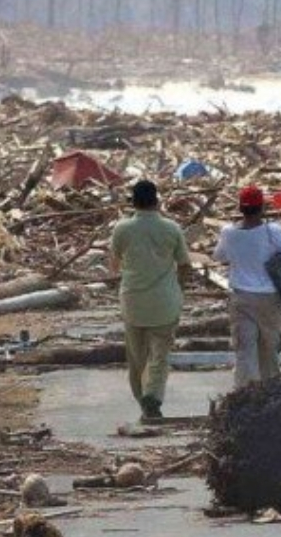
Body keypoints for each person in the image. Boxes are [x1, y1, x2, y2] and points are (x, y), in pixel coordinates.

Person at [213, 185, 281, 388]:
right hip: (268, 299)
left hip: (240, 298)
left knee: (245, 351)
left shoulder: (228, 233)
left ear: (240, 208)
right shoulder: (273, 231)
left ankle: (244, 395)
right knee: (269, 350)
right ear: (262, 208)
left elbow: (219, 257)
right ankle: (270, 394)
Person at [109, 179, 190, 420]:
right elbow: (185, 265)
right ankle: (152, 397)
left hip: (133, 301)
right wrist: (179, 288)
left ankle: (142, 399)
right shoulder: (171, 228)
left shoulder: (121, 229)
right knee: (159, 356)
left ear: (133, 202)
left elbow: (114, 265)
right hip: (165, 302)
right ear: (157, 201)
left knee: (136, 358)